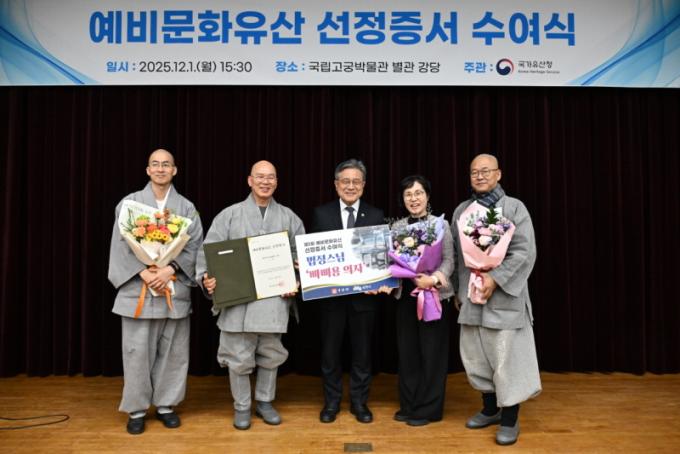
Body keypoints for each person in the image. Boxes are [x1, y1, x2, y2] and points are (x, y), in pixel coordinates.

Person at [196, 160, 305, 430]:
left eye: (271, 177)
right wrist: (206, 278)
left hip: (273, 300)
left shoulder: (289, 217)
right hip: (238, 301)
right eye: (260, 177)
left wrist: (295, 280)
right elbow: (209, 252)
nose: (265, 182)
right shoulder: (229, 215)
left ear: (276, 182)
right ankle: (242, 405)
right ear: (249, 180)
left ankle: (265, 401)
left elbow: (301, 256)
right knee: (238, 356)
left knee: (271, 354)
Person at [108, 149, 203, 435]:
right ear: (148, 170)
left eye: (166, 164)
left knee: (174, 351)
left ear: (175, 170)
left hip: (172, 287)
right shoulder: (130, 204)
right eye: (155, 164)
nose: (161, 169)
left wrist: (169, 269)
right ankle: (136, 410)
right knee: (136, 352)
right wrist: (144, 272)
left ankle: (166, 405)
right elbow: (120, 245)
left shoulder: (186, 207)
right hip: (138, 288)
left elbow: (195, 247)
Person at [451, 154, 541, 446]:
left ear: (498, 174)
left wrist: (495, 278)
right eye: (474, 172)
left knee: (506, 359)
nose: (479, 176)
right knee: (476, 357)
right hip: (471, 296)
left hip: (504, 298)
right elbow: (457, 257)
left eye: (485, 171)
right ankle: (489, 409)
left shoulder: (514, 208)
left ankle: (510, 418)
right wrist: (458, 291)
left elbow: (524, 252)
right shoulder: (462, 211)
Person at [310, 159, 385, 424]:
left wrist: (379, 279)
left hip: (364, 300)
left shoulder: (376, 215)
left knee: (362, 355)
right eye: (345, 181)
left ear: (363, 185)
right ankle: (331, 403)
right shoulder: (321, 214)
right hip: (331, 299)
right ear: (336, 184)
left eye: (356, 181)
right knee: (330, 355)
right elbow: (313, 255)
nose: (350, 186)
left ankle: (359, 403)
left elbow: (380, 258)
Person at [389, 175, 455, 427]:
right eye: (408, 194)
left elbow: (449, 260)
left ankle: (429, 409)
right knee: (408, 353)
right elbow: (391, 262)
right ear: (402, 199)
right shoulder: (396, 228)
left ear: (427, 196)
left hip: (433, 295)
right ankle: (409, 405)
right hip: (407, 295)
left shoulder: (440, 225)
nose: (413, 199)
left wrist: (434, 279)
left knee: (432, 353)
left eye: (418, 193)